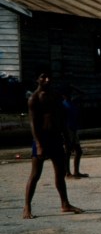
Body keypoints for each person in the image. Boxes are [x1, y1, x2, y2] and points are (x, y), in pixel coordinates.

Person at [23, 73, 83, 219]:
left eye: (49, 77)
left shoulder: (55, 96)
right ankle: (27, 207)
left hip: (56, 138)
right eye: (43, 77)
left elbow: (61, 118)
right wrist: (38, 144)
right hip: (42, 139)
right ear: (37, 79)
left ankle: (65, 203)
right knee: (35, 174)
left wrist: (66, 137)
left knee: (60, 173)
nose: (47, 80)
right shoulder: (34, 99)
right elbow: (33, 124)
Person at [62, 89, 88, 179]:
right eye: (67, 94)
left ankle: (76, 172)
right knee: (67, 151)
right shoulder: (63, 105)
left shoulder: (73, 102)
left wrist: (73, 87)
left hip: (74, 129)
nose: (70, 95)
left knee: (78, 151)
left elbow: (83, 94)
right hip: (67, 129)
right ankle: (67, 173)